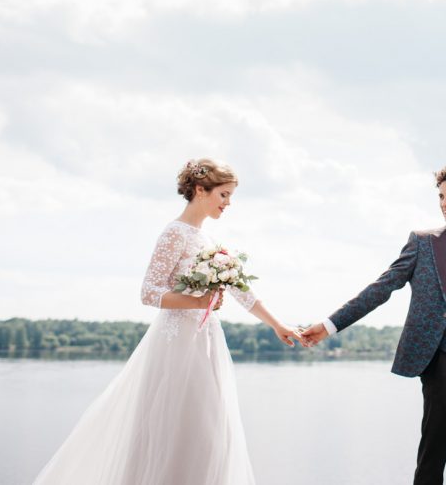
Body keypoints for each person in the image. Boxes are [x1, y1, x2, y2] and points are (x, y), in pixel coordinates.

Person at [33, 158, 300, 485]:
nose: (228, 203)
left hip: (206, 343)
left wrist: (277, 325)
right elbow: (149, 291)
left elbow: (242, 291)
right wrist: (198, 302)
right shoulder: (175, 233)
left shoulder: (210, 242)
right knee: (172, 428)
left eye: (230, 196)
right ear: (200, 190)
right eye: (224, 195)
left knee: (209, 429)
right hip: (175, 345)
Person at [300, 164, 446, 484]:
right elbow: (382, 288)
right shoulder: (424, 243)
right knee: (434, 453)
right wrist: (330, 325)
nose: (444, 203)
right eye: (441, 196)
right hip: (440, 359)